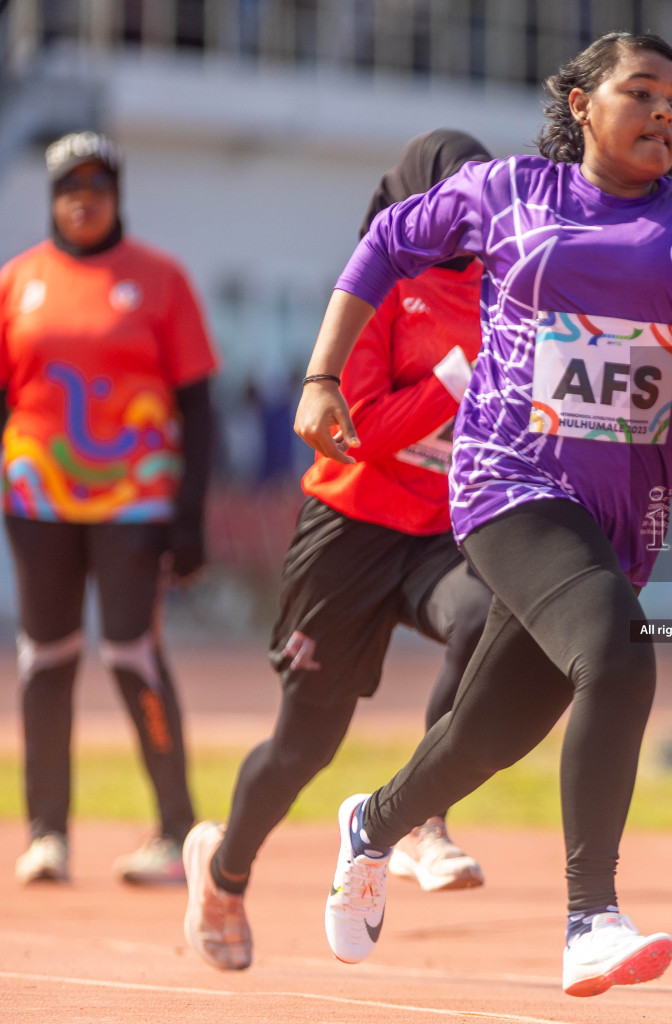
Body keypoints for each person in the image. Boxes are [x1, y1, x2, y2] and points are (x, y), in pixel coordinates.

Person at [292, 32, 672, 997]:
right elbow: (385, 242)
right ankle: (591, 915)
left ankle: (371, 827)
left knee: (489, 733)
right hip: (508, 482)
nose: (665, 113)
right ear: (583, 105)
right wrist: (322, 374)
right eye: (641, 93)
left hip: (618, 518)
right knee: (619, 651)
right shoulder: (509, 192)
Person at [180, 130, 497, 971]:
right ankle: (223, 868)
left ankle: (423, 820)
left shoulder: (507, 290)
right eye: (452, 194)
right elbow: (351, 435)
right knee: (303, 749)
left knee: (494, 618)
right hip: (348, 534)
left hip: (439, 533)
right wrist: (453, 383)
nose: (468, 215)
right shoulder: (379, 282)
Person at [2, 131, 217, 885]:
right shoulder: (17, 282)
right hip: (37, 498)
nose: (83, 199)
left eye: (97, 184)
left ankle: (175, 828)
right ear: (53, 198)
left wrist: (190, 521)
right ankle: (47, 832)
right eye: (69, 187)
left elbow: (199, 406)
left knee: (131, 652)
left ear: (117, 193)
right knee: (46, 659)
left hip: (136, 498)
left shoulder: (160, 280)